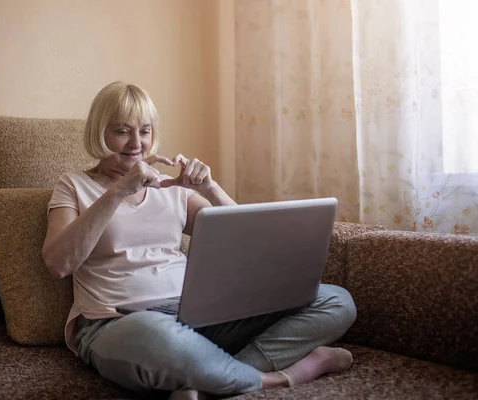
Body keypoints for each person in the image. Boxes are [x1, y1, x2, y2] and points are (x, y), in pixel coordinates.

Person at [42, 81, 357, 399]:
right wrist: (120, 190)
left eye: (145, 131)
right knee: (158, 338)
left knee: (335, 300)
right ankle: (282, 377)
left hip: (198, 316)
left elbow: (248, 239)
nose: (136, 143)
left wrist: (210, 188)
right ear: (100, 132)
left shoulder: (170, 187)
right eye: (122, 131)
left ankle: (208, 380)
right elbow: (58, 264)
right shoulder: (73, 186)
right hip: (117, 322)